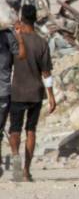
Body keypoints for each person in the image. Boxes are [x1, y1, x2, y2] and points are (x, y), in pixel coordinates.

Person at [9, 5, 55, 182]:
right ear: (36, 19)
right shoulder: (42, 43)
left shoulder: (15, 40)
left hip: (17, 91)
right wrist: (51, 96)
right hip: (36, 92)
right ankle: (27, 171)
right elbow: (46, 73)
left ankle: (15, 159)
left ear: (21, 18)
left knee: (14, 129)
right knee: (31, 130)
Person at [0, 17, 27, 175]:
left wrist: (19, 38)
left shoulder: (8, 35)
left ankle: (14, 162)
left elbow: (21, 56)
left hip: (4, 91)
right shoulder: (8, 35)